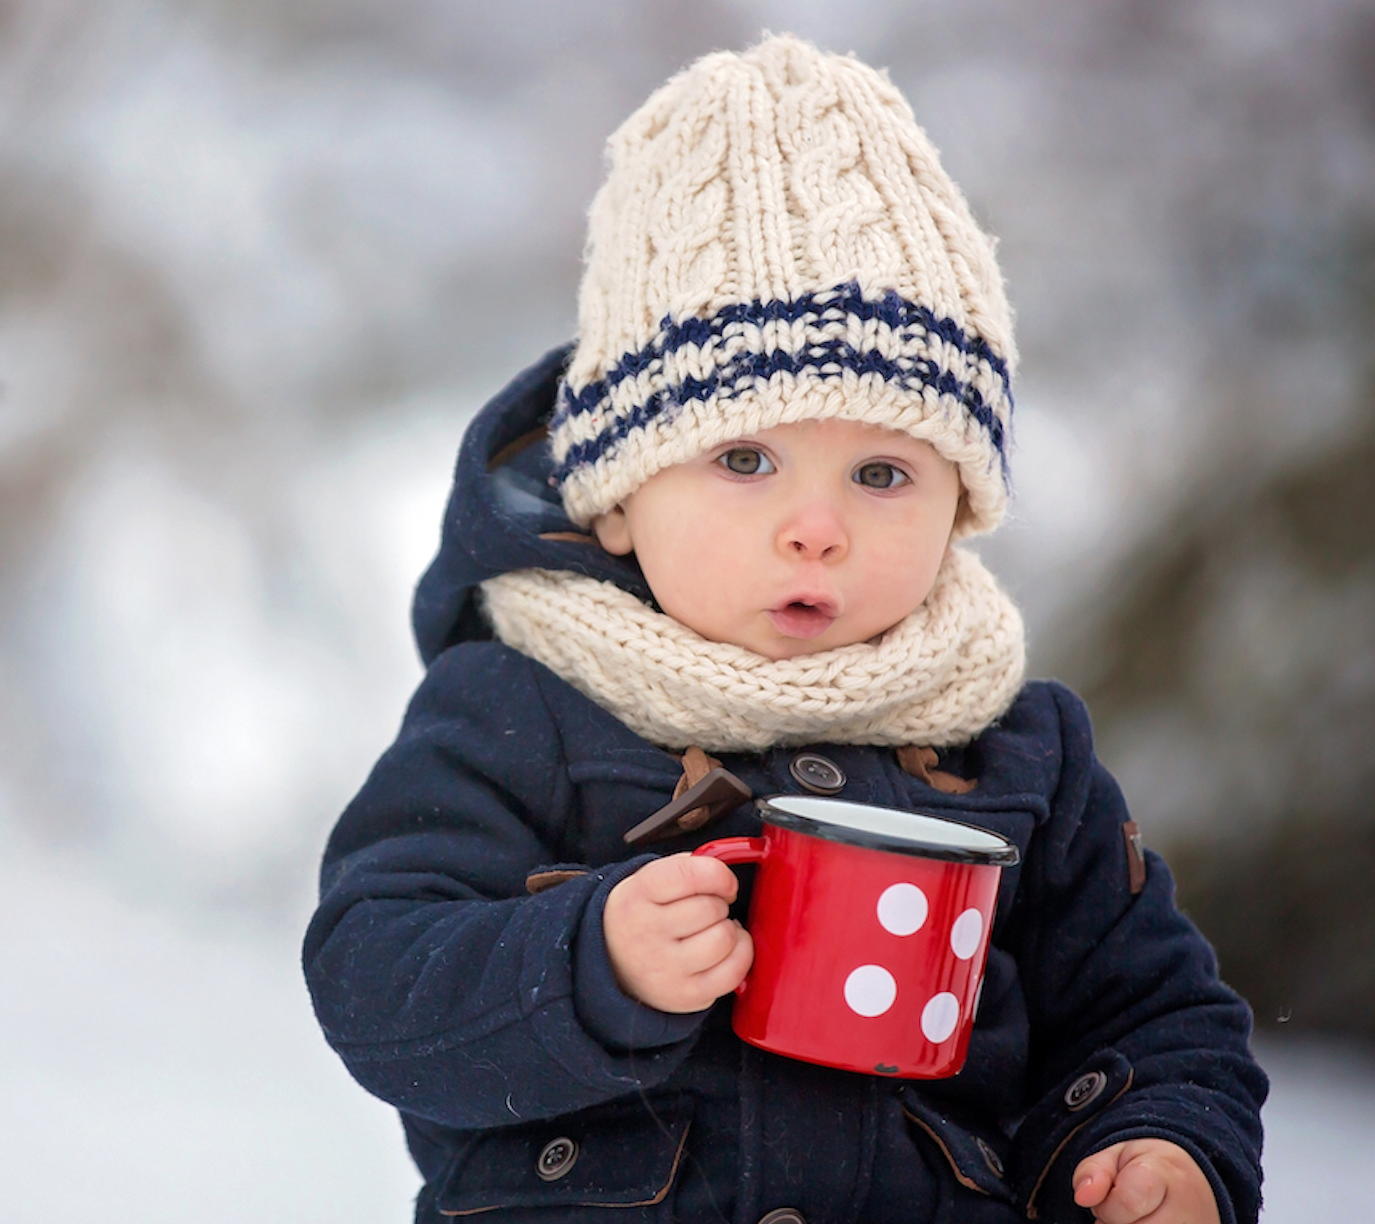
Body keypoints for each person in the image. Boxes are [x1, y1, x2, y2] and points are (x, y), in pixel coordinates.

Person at [303, 34, 1266, 1224]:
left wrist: (1160, 1140)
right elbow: (375, 978)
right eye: (745, 460)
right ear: (617, 497)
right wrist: (585, 964)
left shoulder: (1022, 756)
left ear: (960, 505)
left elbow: (1153, 1012)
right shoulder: (518, 710)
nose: (816, 529)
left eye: (881, 473)